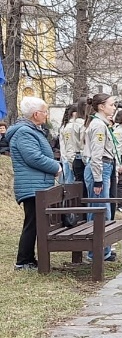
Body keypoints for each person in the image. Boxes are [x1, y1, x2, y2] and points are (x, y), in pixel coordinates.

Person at [6, 97, 62, 270]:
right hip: (31, 185)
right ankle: (23, 261)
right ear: (36, 114)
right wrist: (56, 167)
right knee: (32, 223)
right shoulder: (24, 132)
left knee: (35, 223)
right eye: (44, 112)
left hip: (37, 183)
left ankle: (29, 259)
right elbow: (34, 157)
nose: (46, 115)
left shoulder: (32, 130)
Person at [83, 93, 120, 262]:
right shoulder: (98, 125)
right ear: (101, 107)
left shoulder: (103, 124)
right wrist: (98, 179)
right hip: (99, 168)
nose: (114, 107)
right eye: (111, 105)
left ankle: (103, 249)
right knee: (99, 209)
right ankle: (96, 252)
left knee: (103, 208)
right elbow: (96, 155)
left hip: (106, 166)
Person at [57, 105, 77, 184]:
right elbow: (69, 146)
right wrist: (71, 162)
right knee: (70, 184)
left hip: (66, 159)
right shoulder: (69, 127)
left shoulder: (66, 126)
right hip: (68, 160)